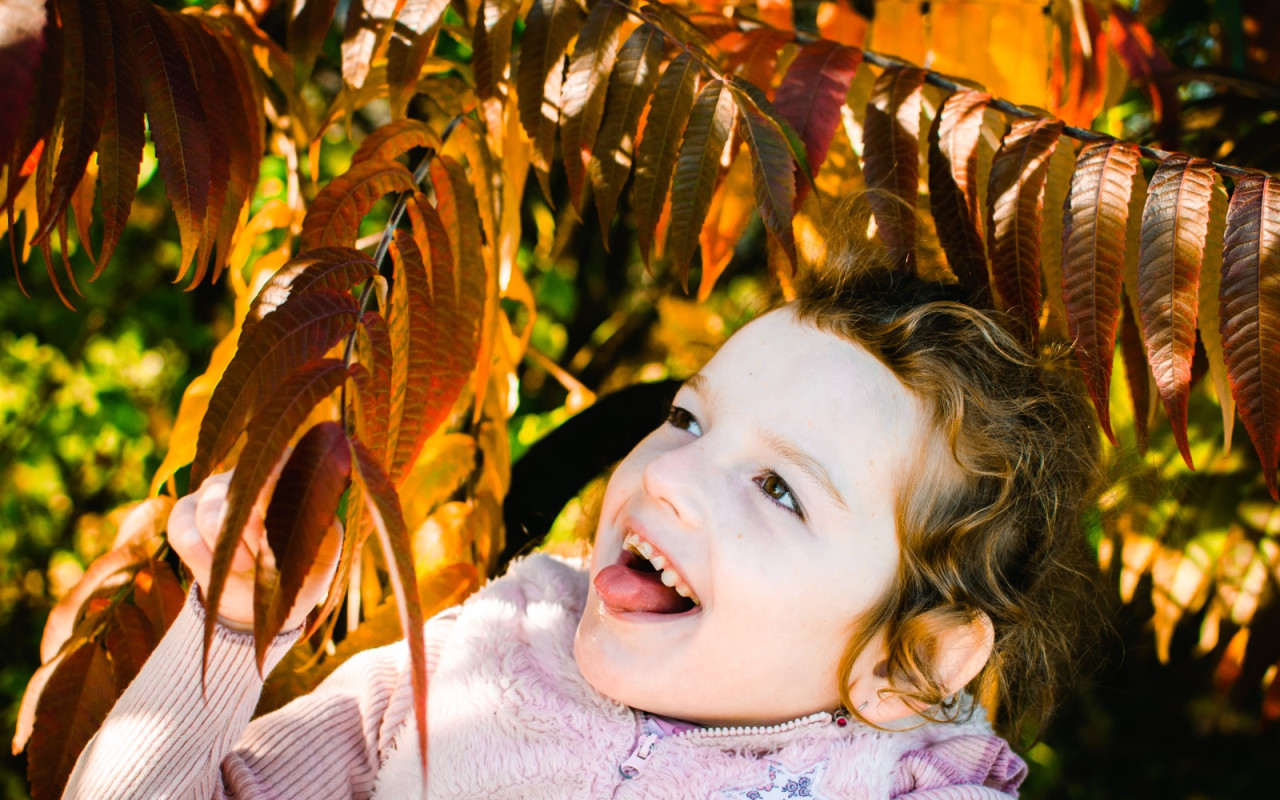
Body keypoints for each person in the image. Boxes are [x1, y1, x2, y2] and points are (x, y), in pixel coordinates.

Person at [62, 245, 1102, 799]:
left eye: (778, 488)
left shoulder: (898, 789)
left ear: (909, 654)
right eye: (686, 417)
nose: (672, 476)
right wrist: (233, 625)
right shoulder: (471, 665)